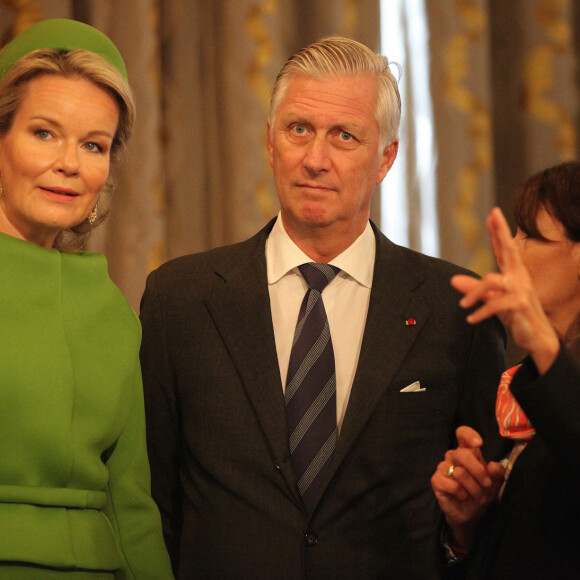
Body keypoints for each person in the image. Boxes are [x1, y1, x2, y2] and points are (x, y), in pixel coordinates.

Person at [140, 36, 506, 579]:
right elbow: (152, 502)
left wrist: (466, 525)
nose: (315, 159)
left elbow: (489, 514)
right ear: (270, 143)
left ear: (386, 158)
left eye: (344, 136)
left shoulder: (458, 306)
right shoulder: (181, 298)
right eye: (299, 130)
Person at [0, 19, 173, 579]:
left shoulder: (112, 312)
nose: (70, 164)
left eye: (93, 144)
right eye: (44, 133)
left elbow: (131, 507)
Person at [431, 161, 580, 579]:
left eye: (530, 236)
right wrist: (468, 525)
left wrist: (542, 344)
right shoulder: (527, 380)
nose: (509, 251)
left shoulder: (552, 378)